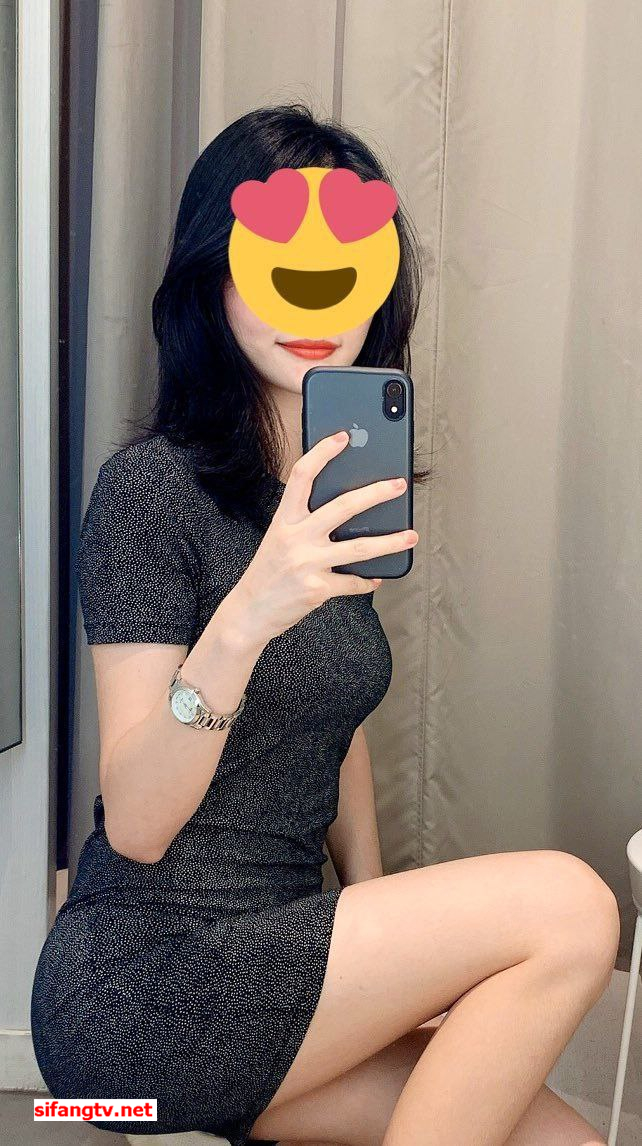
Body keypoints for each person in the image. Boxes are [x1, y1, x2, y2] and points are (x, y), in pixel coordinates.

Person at [30, 103, 619, 1146]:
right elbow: (137, 825)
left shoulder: (333, 496)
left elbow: (329, 725)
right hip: (138, 995)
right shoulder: (149, 493)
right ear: (214, 280)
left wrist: (390, 946)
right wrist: (248, 614)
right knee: (570, 903)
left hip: (291, 964)